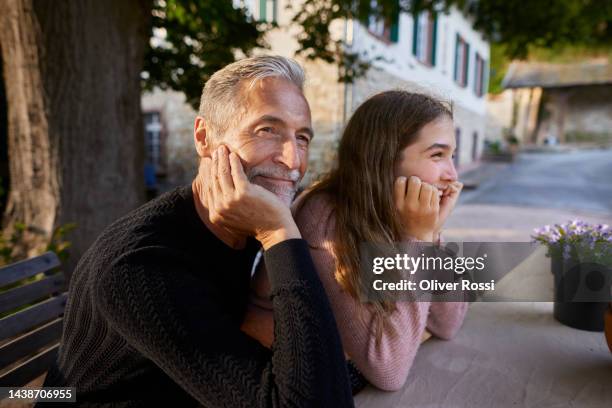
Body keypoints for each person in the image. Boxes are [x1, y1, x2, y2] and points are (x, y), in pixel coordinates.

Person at [39, 56, 355, 407]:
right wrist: (279, 232)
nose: (293, 159)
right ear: (204, 137)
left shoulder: (246, 225)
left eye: (302, 138)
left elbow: (365, 364)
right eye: (267, 130)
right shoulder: (142, 265)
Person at [245, 90, 468, 392]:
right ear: (385, 158)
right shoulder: (324, 220)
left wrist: (429, 235)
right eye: (437, 155)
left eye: (452, 156)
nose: (452, 175)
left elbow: (448, 323)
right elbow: (389, 371)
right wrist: (417, 239)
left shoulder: (389, 211)